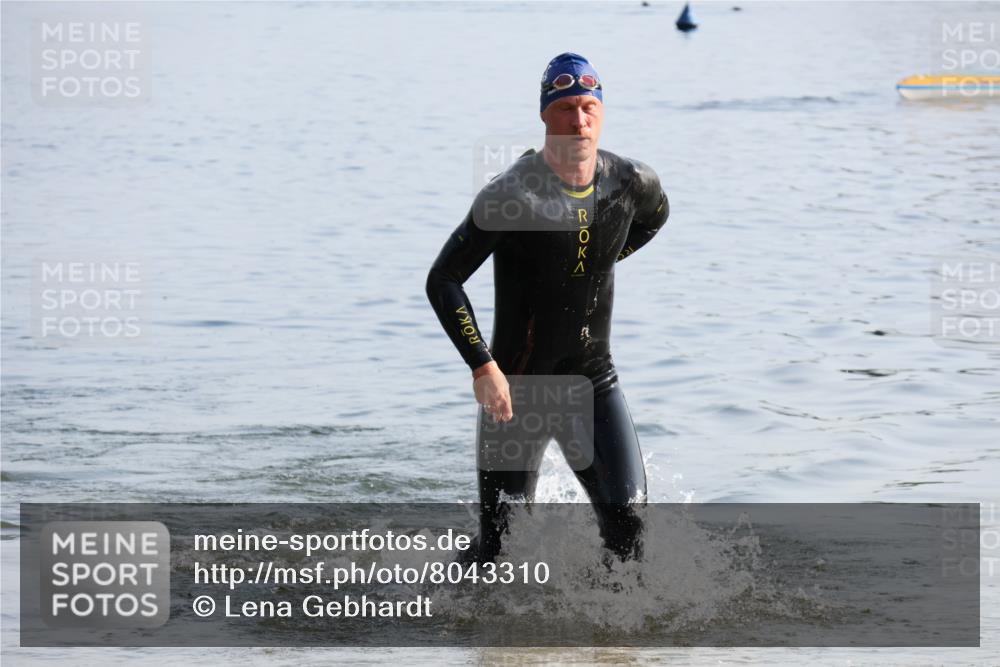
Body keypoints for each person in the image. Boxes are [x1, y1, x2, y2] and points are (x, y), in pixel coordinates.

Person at [425, 53, 669, 565]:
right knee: (500, 548)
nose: (578, 121)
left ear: (601, 111)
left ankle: (606, 618)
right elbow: (444, 280)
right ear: (544, 114)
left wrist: (600, 260)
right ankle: (443, 601)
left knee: (629, 522)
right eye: (565, 109)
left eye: (588, 108)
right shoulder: (512, 195)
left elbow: (655, 218)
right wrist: (483, 366)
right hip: (517, 389)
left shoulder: (629, 181)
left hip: (592, 380)